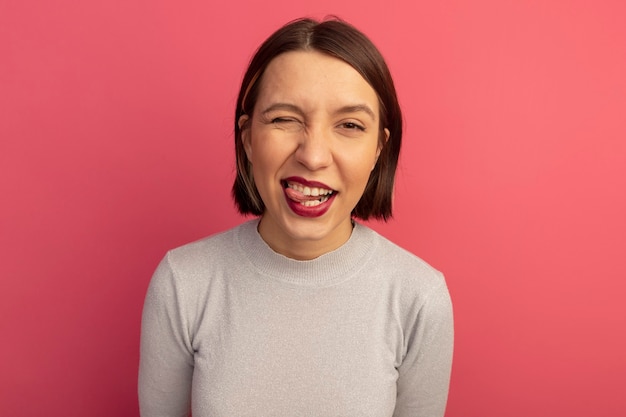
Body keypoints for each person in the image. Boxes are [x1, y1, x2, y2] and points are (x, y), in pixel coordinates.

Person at [139, 17, 453, 417]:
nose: (314, 155)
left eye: (350, 125)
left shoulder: (420, 298)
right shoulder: (183, 283)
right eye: (284, 119)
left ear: (378, 149)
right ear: (248, 137)